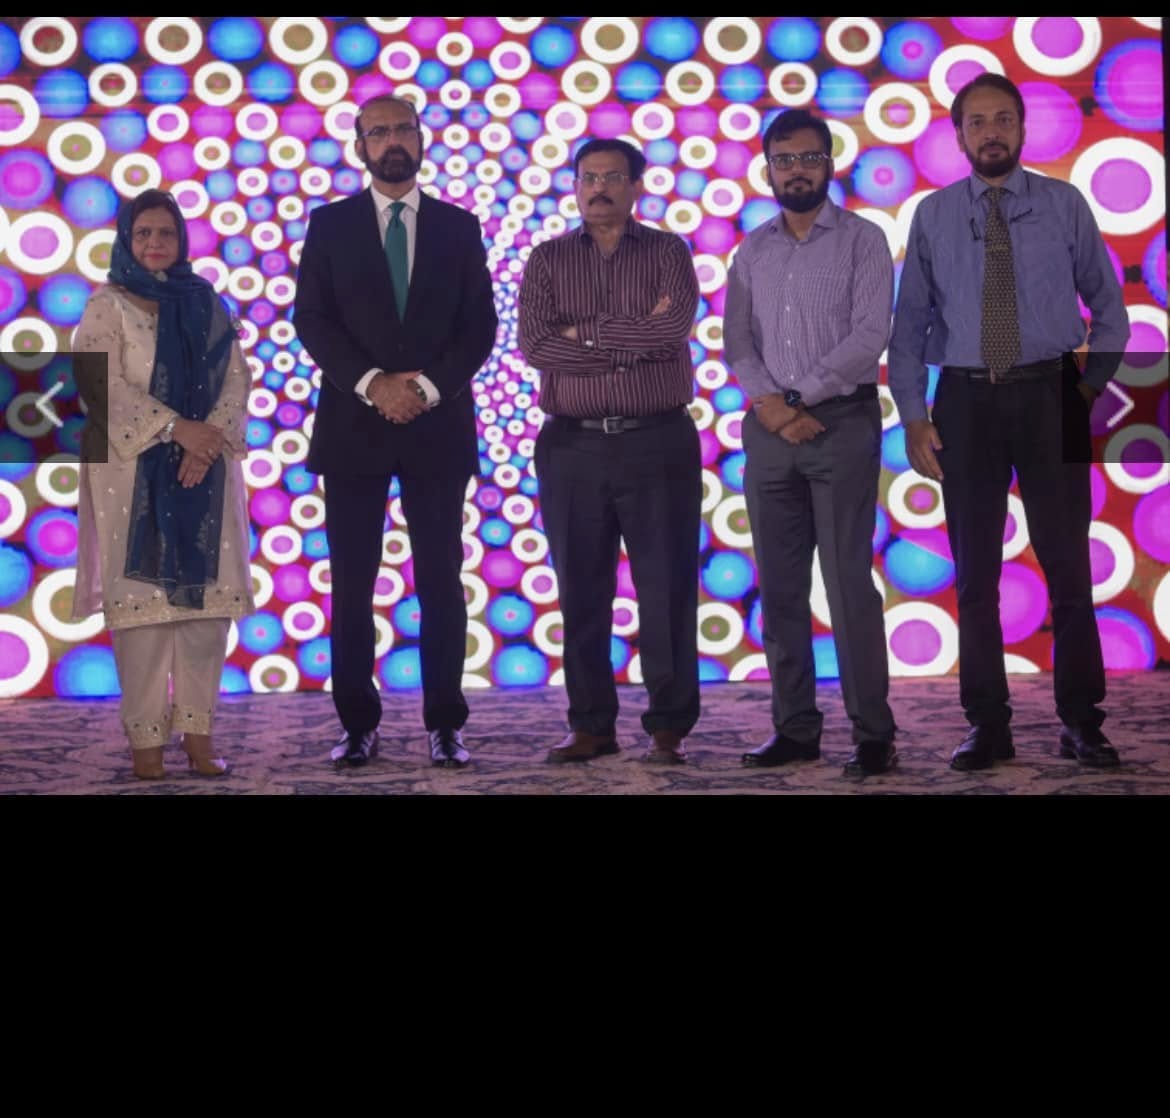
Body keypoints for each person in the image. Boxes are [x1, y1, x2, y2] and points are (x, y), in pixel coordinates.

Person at [889, 73, 1130, 771]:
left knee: (1069, 568)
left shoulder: (1065, 204)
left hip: (1053, 394)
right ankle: (987, 725)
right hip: (964, 402)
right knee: (975, 578)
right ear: (959, 135)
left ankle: (1082, 722)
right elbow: (908, 330)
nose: (990, 132)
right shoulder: (933, 214)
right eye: (977, 122)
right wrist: (913, 417)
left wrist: (1086, 389)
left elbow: (1110, 311)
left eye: (1002, 119)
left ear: (1022, 129)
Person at [294, 94, 497, 769]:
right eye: (378, 131)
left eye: (403, 128)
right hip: (354, 427)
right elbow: (312, 319)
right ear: (359, 145)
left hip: (438, 426)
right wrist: (374, 384)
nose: (392, 141)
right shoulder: (329, 225)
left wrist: (425, 388)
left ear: (422, 138)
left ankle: (446, 724)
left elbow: (480, 325)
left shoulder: (459, 227)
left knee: (440, 579)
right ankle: (357, 724)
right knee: (352, 583)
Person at [724, 108, 898, 779]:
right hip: (769, 431)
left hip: (842, 424)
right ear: (768, 170)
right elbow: (738, 342)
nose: (796, 170)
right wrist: (774, 407)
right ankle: (794, 728)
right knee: (781, 589)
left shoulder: (863, 239)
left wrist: (799, 398)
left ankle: (873, 734)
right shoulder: (752, 251)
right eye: (784, 160)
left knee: (848, 585)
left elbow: (869, 335)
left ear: (830, 163)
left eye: (808, 158)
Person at [518, 138, 701, 765]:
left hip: (658, 440)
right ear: (575, 186)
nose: (599, 188)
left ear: (636, 187)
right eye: (588, 177)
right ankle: (591, 724)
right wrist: (629, 342)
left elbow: (671, 330)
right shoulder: (547, 259)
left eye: (613, 177)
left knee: (666, 587)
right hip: (572, 445)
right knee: (581, 590)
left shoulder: (668, 251)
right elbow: (536, 346)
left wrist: (583, 335)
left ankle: (668, 726)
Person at [70, 188, 254, 780]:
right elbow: (99, 386)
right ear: (127, 240)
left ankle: (200, 735)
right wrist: (178, 429)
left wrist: (206, 444)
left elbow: (236, 378)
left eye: (166, 234)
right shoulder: (107, 306)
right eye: (144, 233)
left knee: (204, 613)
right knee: (145, 613)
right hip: (131, 475)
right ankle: (145, 741)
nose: (155, 243)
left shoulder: (206, 302)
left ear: (182, 241)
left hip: (207, 472)